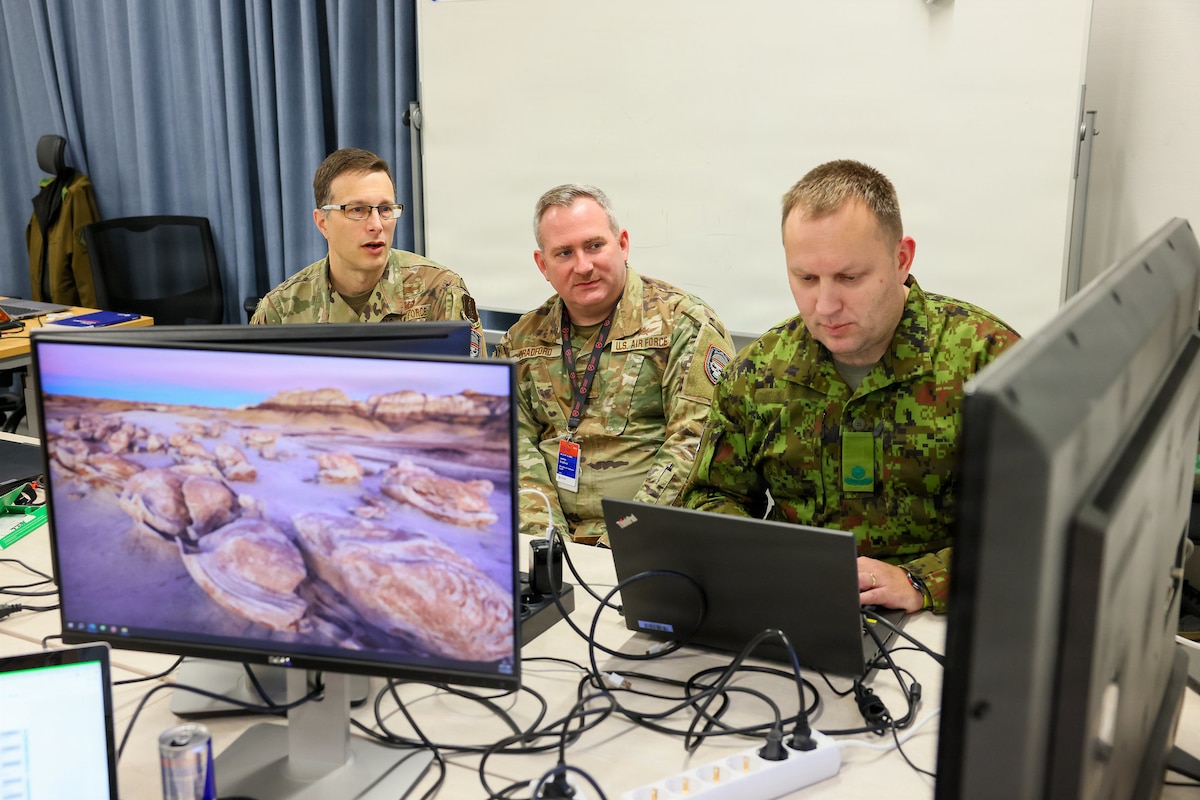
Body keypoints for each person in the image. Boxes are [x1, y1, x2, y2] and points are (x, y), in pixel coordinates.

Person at [681, 160, 1020, 613]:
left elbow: (1032, 523)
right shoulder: (758, 373)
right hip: (796, 608)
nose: (825, 305)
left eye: (849, 277)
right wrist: (765, 564)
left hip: (943, 618)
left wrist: (924, 582)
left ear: (901, 260)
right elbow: (711, 497)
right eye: (805, 278)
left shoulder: (988, 360)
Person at [493, 184, 734, 545]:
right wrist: (546, 543)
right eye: (564, 253)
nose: (583, 266)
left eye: (594, 245)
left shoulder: (683, 323)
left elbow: (693, 446)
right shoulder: (522, 340)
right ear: (543, 265)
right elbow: (511, 447)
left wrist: (620, 538)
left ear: (622, 244)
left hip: (650, 536)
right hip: (550, 539)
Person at [250, 148, 485, 355]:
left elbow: (476, 396)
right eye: (357, 210)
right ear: (322, 222)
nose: (376, 224)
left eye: (385, 209)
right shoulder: (281, 310)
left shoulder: (441, 292)